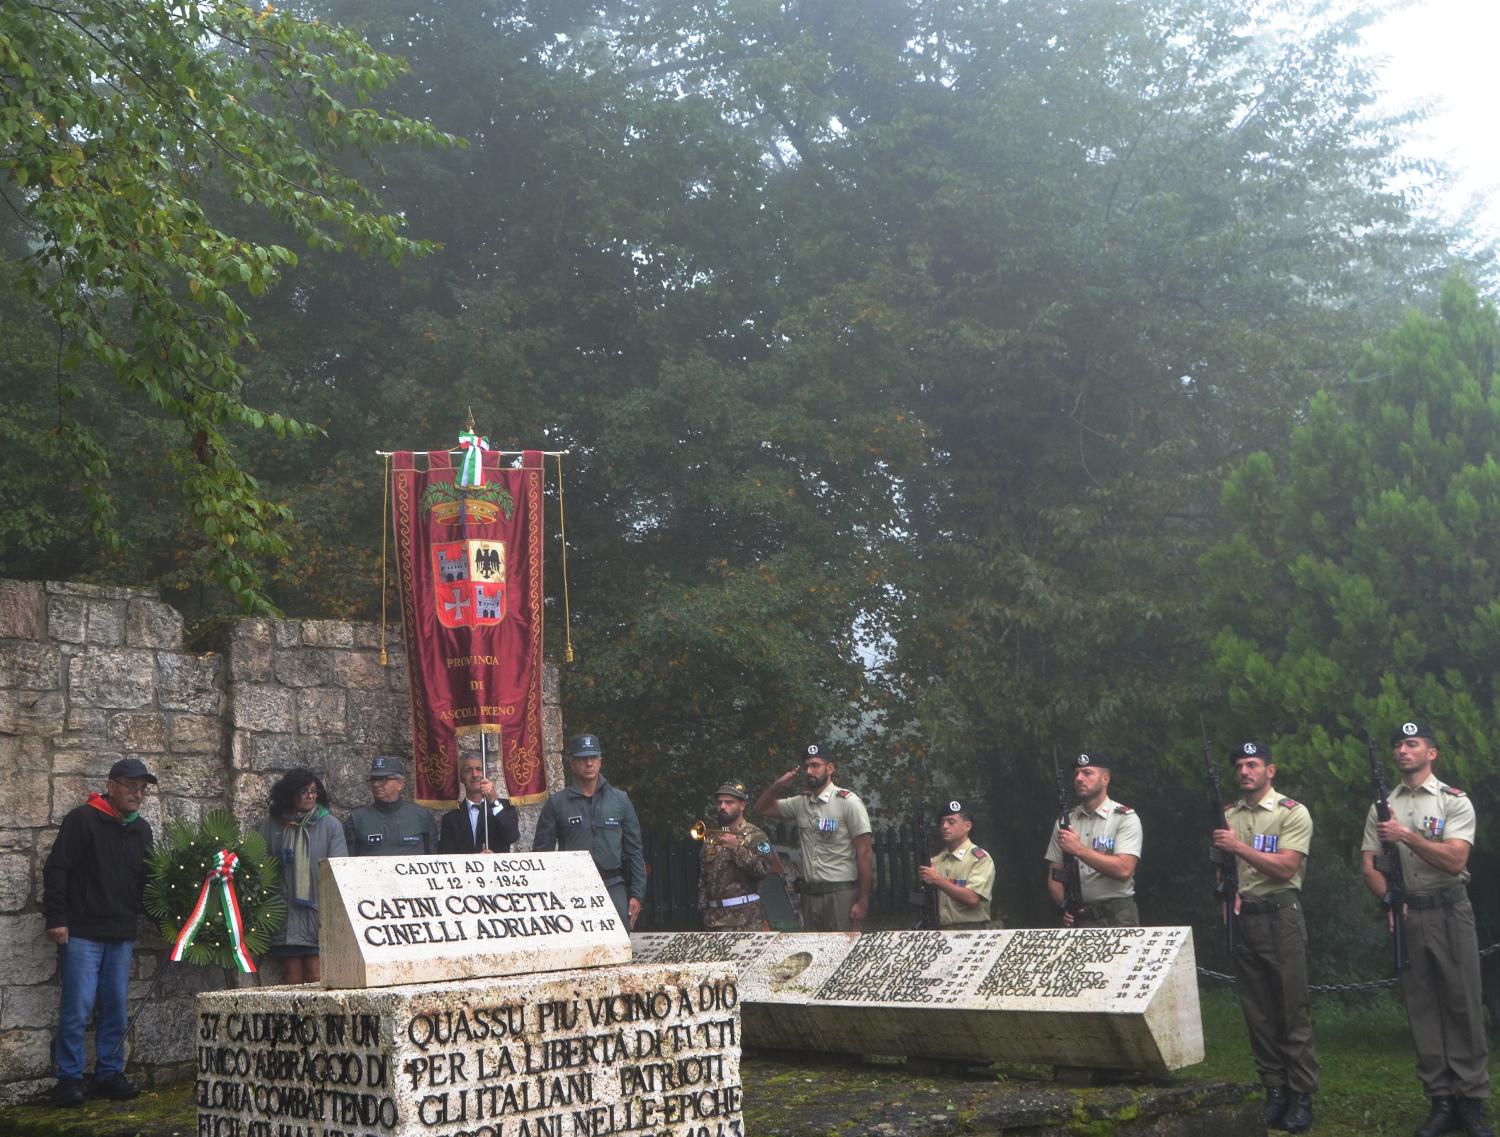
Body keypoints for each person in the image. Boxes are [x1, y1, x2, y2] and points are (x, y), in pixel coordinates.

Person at [1361, 721, 1492, 1137]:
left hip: (1450, 911)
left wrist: (1405, 835)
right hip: (1408, 914)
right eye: (1398, 744)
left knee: (1463, 1005)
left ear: (1431, 753)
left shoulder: (1454, 801)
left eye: (1412, 744)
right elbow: (1369, 863)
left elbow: (1456, 861)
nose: (1403, 750)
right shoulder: (1381, 805)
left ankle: (1470, 1102)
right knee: (1422, 1009)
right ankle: (1440, 1100)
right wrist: (1389, 900)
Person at [1212, 740, 1317, 1134]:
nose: (1244, 771)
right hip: (1244, 919)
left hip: (1280, 916)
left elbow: (1287, 868)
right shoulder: (1227, 815)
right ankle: (1275, 1090)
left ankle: (1301, 1095)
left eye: (1253, 764)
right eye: (1239, 765)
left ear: (1269, 770)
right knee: (1257, 1010)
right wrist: (1225, 894)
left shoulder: (1292, 812)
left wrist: (1236, 846)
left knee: (1291, 1009)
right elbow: (1222, 869)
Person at [42, 758, 157, 1106]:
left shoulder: (142, 830)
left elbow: (146, 882)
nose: (137, 794)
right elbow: (57, 869)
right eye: (131, 786)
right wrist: (56, 918)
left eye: (142, 789)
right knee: (77, 1007)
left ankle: (109, 1072)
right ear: (111, 786)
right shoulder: (82, 820)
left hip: (121, 932)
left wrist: (166, 914)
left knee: (115, 1007)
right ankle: (70, 1077)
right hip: (82, 932)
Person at [754, 742, 872, 932]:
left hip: (840, 894)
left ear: (830, 768)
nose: (809, 771)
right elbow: (762, 808)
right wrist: (779, 785)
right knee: (813, 954)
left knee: (839, 953)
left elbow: (865, 853)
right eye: (807, 766)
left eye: (815, 765)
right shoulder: (801, 803)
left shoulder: (847, 802)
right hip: (810, 897)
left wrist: (863, 900)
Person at [532, 734, 645, 929]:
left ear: (600, 761)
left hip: (613, 883)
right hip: (572, 887)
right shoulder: (557, 804)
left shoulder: (620, 800)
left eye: (593, 757)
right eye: (583, 758)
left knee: (619, 942)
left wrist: (637, 894)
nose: (589, 763)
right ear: (572, 764)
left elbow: (634, 851)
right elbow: (542, 855)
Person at [257, 768, 346, 984]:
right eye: (304, 791)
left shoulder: (330, 825)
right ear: (290, 794)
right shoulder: (271, 826)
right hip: (285, 915)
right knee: (292, 978)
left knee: (317, 977)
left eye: (314, 791)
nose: (310, 796)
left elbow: (339, 869)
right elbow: (260, 867)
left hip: (318, 914)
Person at [1043, 751, 1142, 927]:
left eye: (1087, 773)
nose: (1079, 778)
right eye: (1076, 774)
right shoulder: (1066, 822)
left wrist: (1078, 849)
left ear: (1105, 779)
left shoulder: (1124, 817)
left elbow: (1124, 870)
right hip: (1079, 916)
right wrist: (1064, 906)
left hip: (1118, 916)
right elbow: (1054, 877)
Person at [698, 780, 777, 930]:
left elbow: (763, 870)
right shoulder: (712, 838)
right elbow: (703, 879)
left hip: (744, 918)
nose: (722, 806)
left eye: (729, 802)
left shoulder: (756, 836)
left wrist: (736, 848)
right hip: (713, 919)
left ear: (741, 805)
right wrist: (703, 908)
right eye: (720, 802)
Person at [918, 799, 997, 928]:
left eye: (951, 822)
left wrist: (937, 880)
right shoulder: (936, 861)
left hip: (971, 930)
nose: (945, 826)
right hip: (940, 930)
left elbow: (972, 898)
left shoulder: (979, 859)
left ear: (967, 826)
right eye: (942, 822)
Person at [345, 755, 439, 856]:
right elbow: (347, 862)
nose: (376, 784)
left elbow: (433, 857)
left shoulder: (421, 816)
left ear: (400, 784)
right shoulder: (357, 819)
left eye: (383, 779)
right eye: (373, 779)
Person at [439, 751, 521, 855]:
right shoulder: (451, 819)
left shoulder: (505, 807)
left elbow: (512, 836)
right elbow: (446, 856)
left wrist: (494, 802)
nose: (474, 774)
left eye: (479, 769)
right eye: (468, 770)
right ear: (461, 777)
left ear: (488, 774)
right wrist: (475, 861)